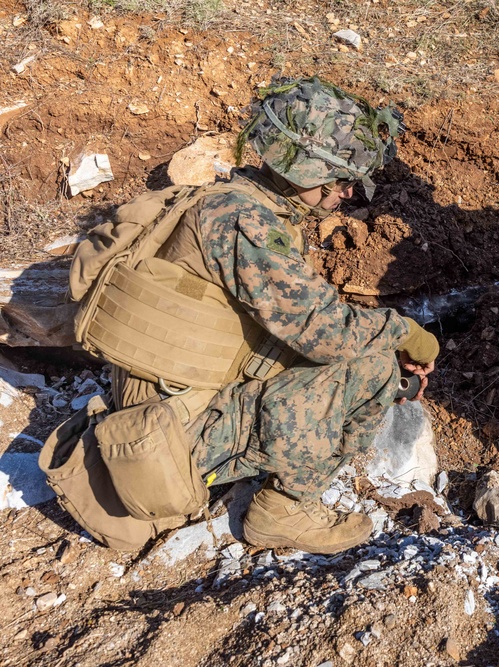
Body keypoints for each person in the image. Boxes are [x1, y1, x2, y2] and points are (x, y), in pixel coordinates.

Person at [66, 77, 439, 553]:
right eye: (342, 180)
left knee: (361, 351)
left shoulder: (232, 199)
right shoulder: (248, 223)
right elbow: (325, 333)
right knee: (370, 367)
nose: (346, 194)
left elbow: (295, 317)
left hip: (164, 408)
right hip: (173, 438)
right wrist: (404, 331)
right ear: (307, 169)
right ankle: (284, 510)